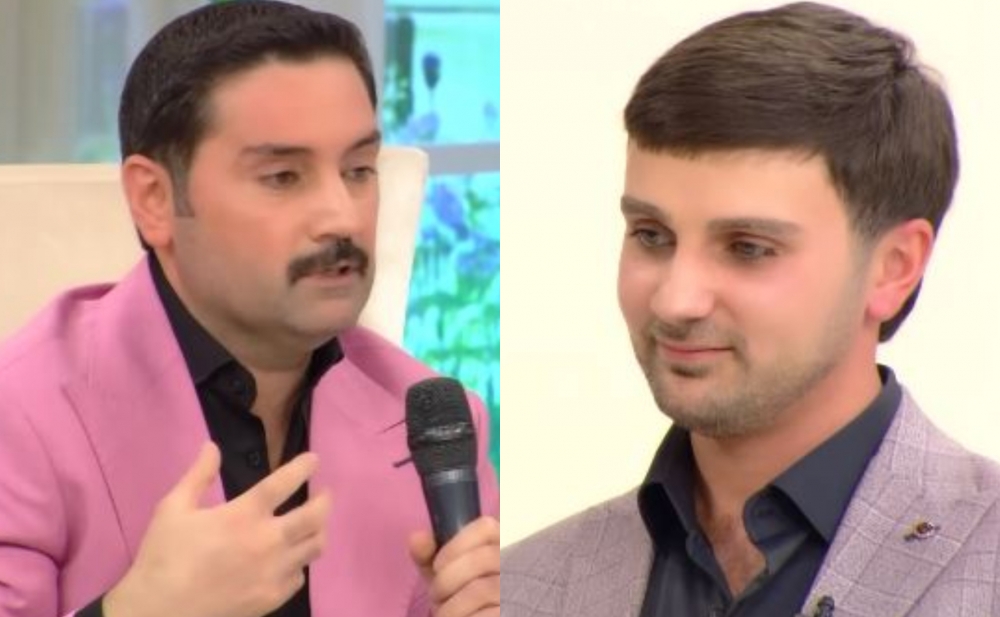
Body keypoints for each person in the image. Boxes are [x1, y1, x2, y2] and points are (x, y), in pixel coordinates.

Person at [0, 2, 499, 617]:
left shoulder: (430, 426)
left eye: (359, 170)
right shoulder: (19, 416)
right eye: (283, 177)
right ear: (154, 199)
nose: (342, 217)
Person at [501, 2, 1000, 616]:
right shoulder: (524, 587)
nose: (676, 300)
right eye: (652, 235)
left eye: (747, 248)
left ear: (893, 267)